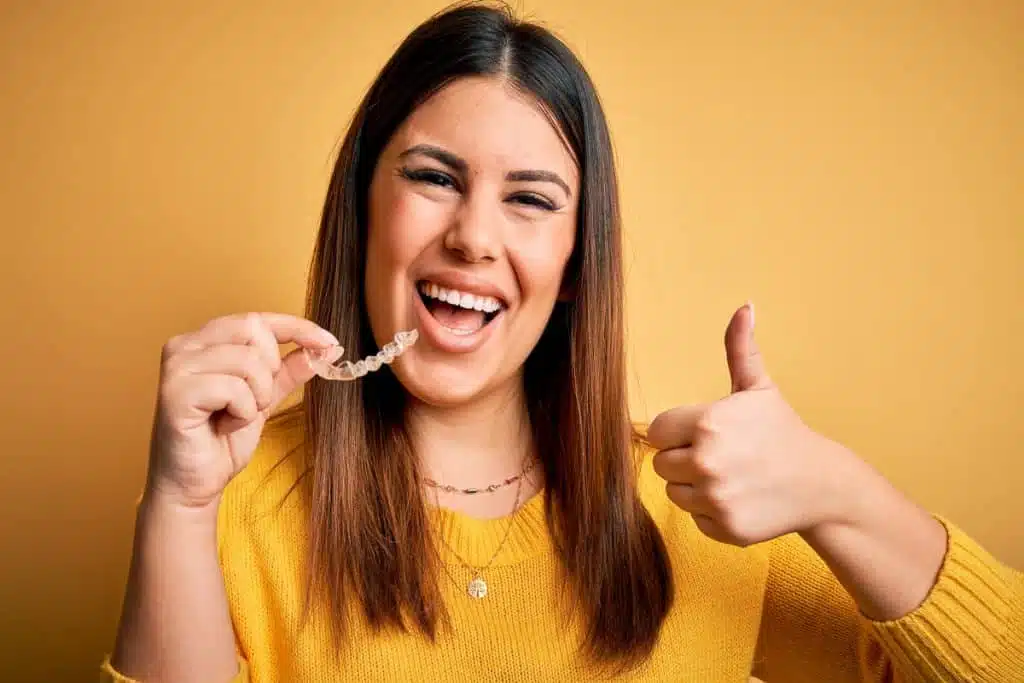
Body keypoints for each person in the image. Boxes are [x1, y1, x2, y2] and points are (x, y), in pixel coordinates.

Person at [102, 3, 1023, 682]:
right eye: (433, 177)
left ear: (577, 261)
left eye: (531, 198)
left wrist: (835, 489)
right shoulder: (237, 507)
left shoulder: (704, 520)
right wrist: (180, 507)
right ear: (362, 213)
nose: (474, 236)